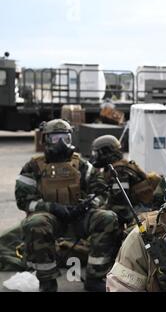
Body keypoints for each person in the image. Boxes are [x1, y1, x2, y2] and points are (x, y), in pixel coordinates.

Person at [15, 119, 121, 292]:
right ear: (46, 140)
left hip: (78, 217)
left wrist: (87, 205)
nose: (62, 143)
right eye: (56, 138)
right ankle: (47, 282)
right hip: (51, 219)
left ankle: (95, 277)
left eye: (66, 138)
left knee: (107, 218)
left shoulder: (82, 165)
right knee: (35, 224)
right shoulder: (33, 166)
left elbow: (100, 191)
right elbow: (23, 200)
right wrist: (52, 208)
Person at [90, 135, 166, 226]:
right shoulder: (118, 166)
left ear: (106, 152)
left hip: (139, 209)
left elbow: (120, 200)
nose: (95, 157)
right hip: (138, 206)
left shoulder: (118, 170)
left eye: (96, 153)